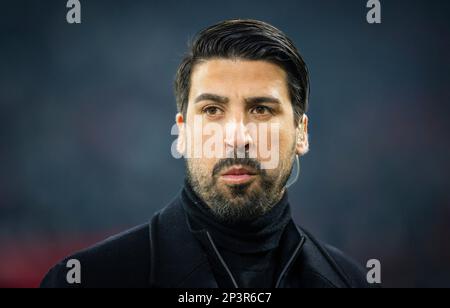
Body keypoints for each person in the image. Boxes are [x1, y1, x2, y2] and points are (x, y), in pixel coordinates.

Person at [41, 19, 372, 288]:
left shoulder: (351, 282)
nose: (237, 137)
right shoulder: (90, 280)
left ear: (301, 132)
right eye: (213, 110)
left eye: (261, 109)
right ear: (182, 133)